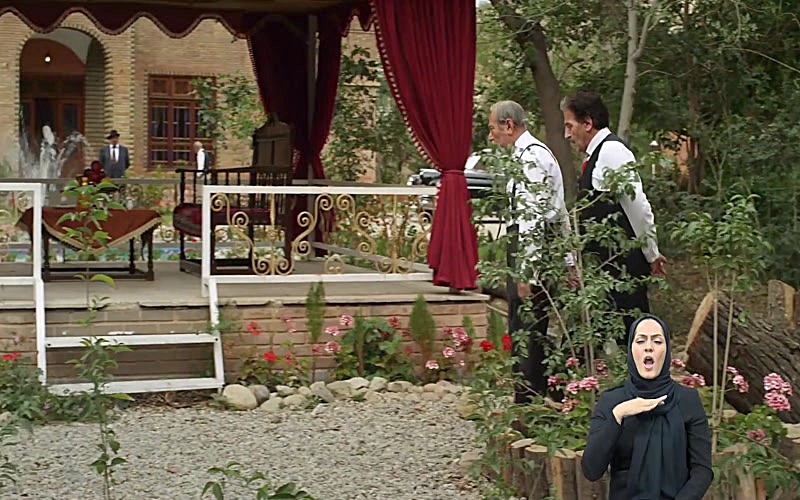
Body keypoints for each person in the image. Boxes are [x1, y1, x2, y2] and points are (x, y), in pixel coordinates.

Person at [561, 90, 667, 339]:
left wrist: (651, 253)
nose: (567, 134)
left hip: (622, 267)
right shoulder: (596, 156)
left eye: (570, 126)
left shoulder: (612, 152)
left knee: (633, 337)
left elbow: (637, 205)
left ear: (588, 123)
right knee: (590, 338)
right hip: (604, 270)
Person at [488, 100, 571, 402]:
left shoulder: (533, 158)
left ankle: (528, 400)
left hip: (532, 250)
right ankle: (530, 395)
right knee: (523, 323)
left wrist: (528, 271)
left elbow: (534, 218)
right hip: (528, 248)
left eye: (493, 128)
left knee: (527, 325)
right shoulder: (523, 156)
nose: (491, 135)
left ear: (509, 125)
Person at [582, 315, 713, 499]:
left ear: (667, 351)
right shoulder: (611, 401)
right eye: (641, 341)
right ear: (631, 349)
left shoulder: (687, 400)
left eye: (657, 341)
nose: (649, 347)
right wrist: (618, 415)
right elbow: (591, 470)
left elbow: (702, 470)